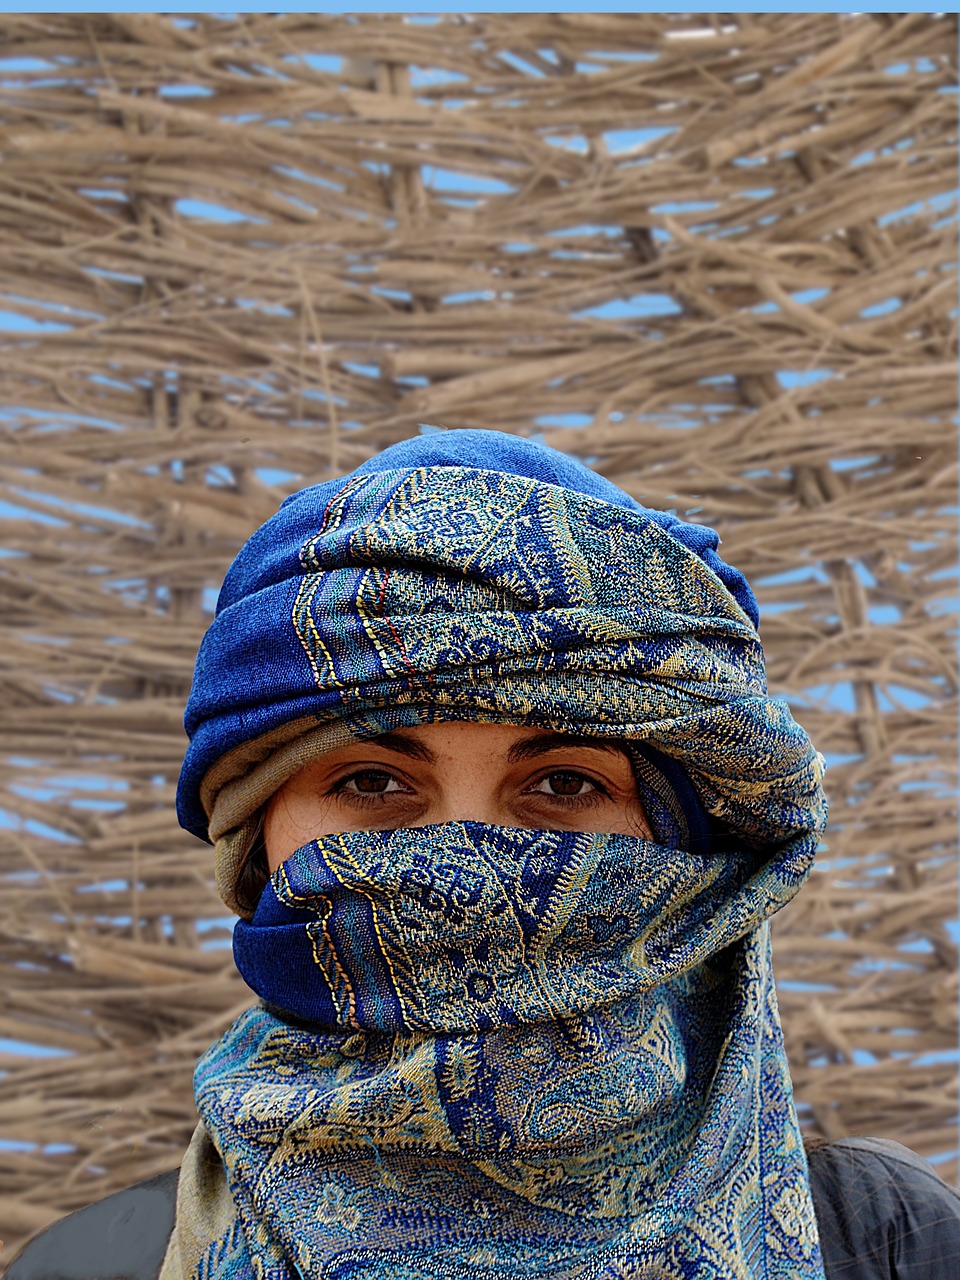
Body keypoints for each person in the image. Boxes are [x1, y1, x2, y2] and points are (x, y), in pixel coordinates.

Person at [6, 430, 960, 1279]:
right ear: (257, 835)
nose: (465, 859)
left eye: (564, 786)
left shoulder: (888, 1245)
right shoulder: (104, 1265)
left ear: (683, 852)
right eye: (373, 785)